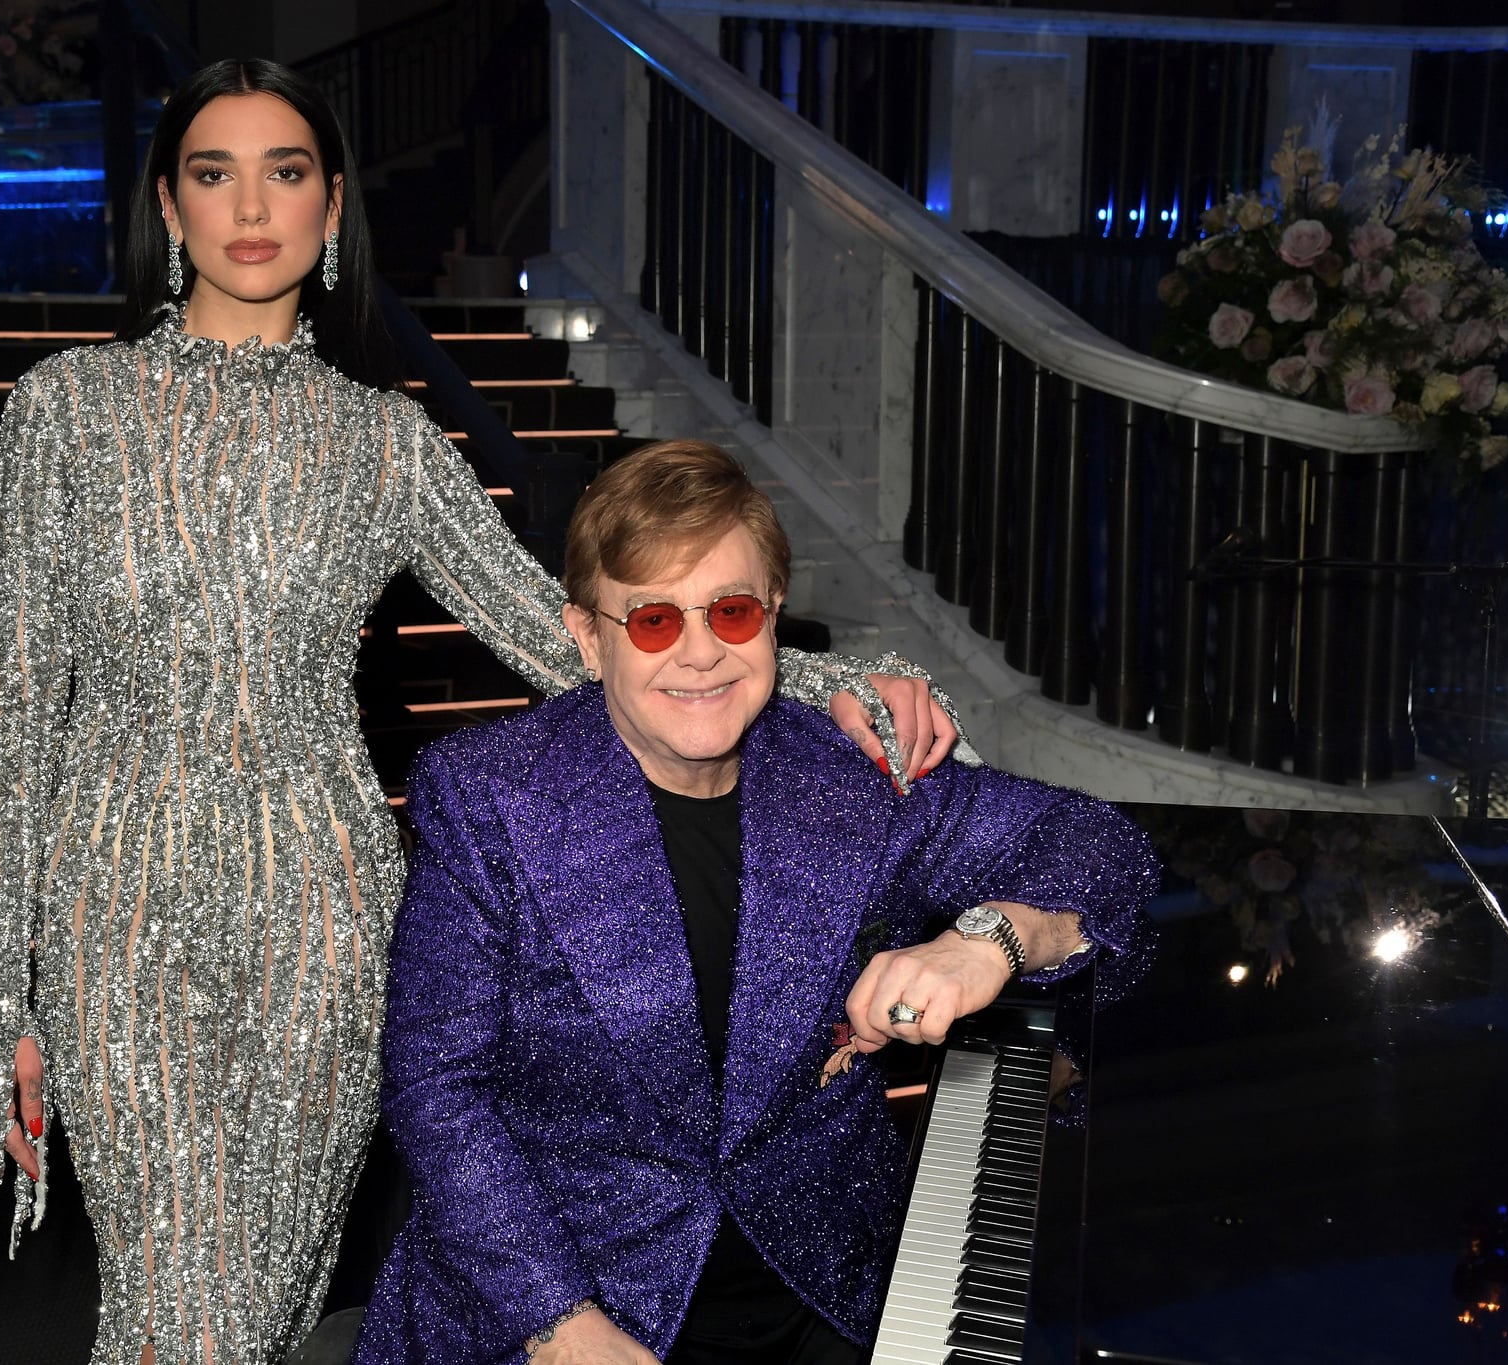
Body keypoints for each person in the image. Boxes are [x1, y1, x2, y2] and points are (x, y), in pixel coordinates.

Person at [0, 60, 968, 1365]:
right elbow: (16, 721)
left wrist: (828, 675)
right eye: (215, 172)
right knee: (175, 1309)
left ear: (331, 211)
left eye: (287, 171)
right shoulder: (63, 411)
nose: (250, 204)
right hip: (118, 915)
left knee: (256, 1307)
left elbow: (563, 639)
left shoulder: (385, 441)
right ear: (169, 204)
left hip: (319, 915)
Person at [352, 441, 1160, 1365]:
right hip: (556, 1293)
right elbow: (435, 1087)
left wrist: (991, 938)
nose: (701, 653)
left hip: (823, 1287)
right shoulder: (488, 792)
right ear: (587, 636)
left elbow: (1106, 848)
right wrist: (560, 1324)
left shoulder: (847, 785)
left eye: (731, 611)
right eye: (654, 619)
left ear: (773, 616)